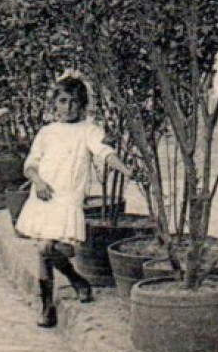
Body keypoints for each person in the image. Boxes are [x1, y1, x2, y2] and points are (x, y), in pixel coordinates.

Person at [15, 75, 138, 328]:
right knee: (43, 250)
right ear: (54, 104)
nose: (68, 107)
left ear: (82, 105)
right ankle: (48, 305)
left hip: (68, 197)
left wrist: (127, 170)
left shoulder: (89, 131)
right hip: (44, 194)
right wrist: (37, 181)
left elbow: (105, 153)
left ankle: (76, 280)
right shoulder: (47, 132)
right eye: (63, 101)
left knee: (46, 248)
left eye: (74, 102)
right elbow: (31, 164)